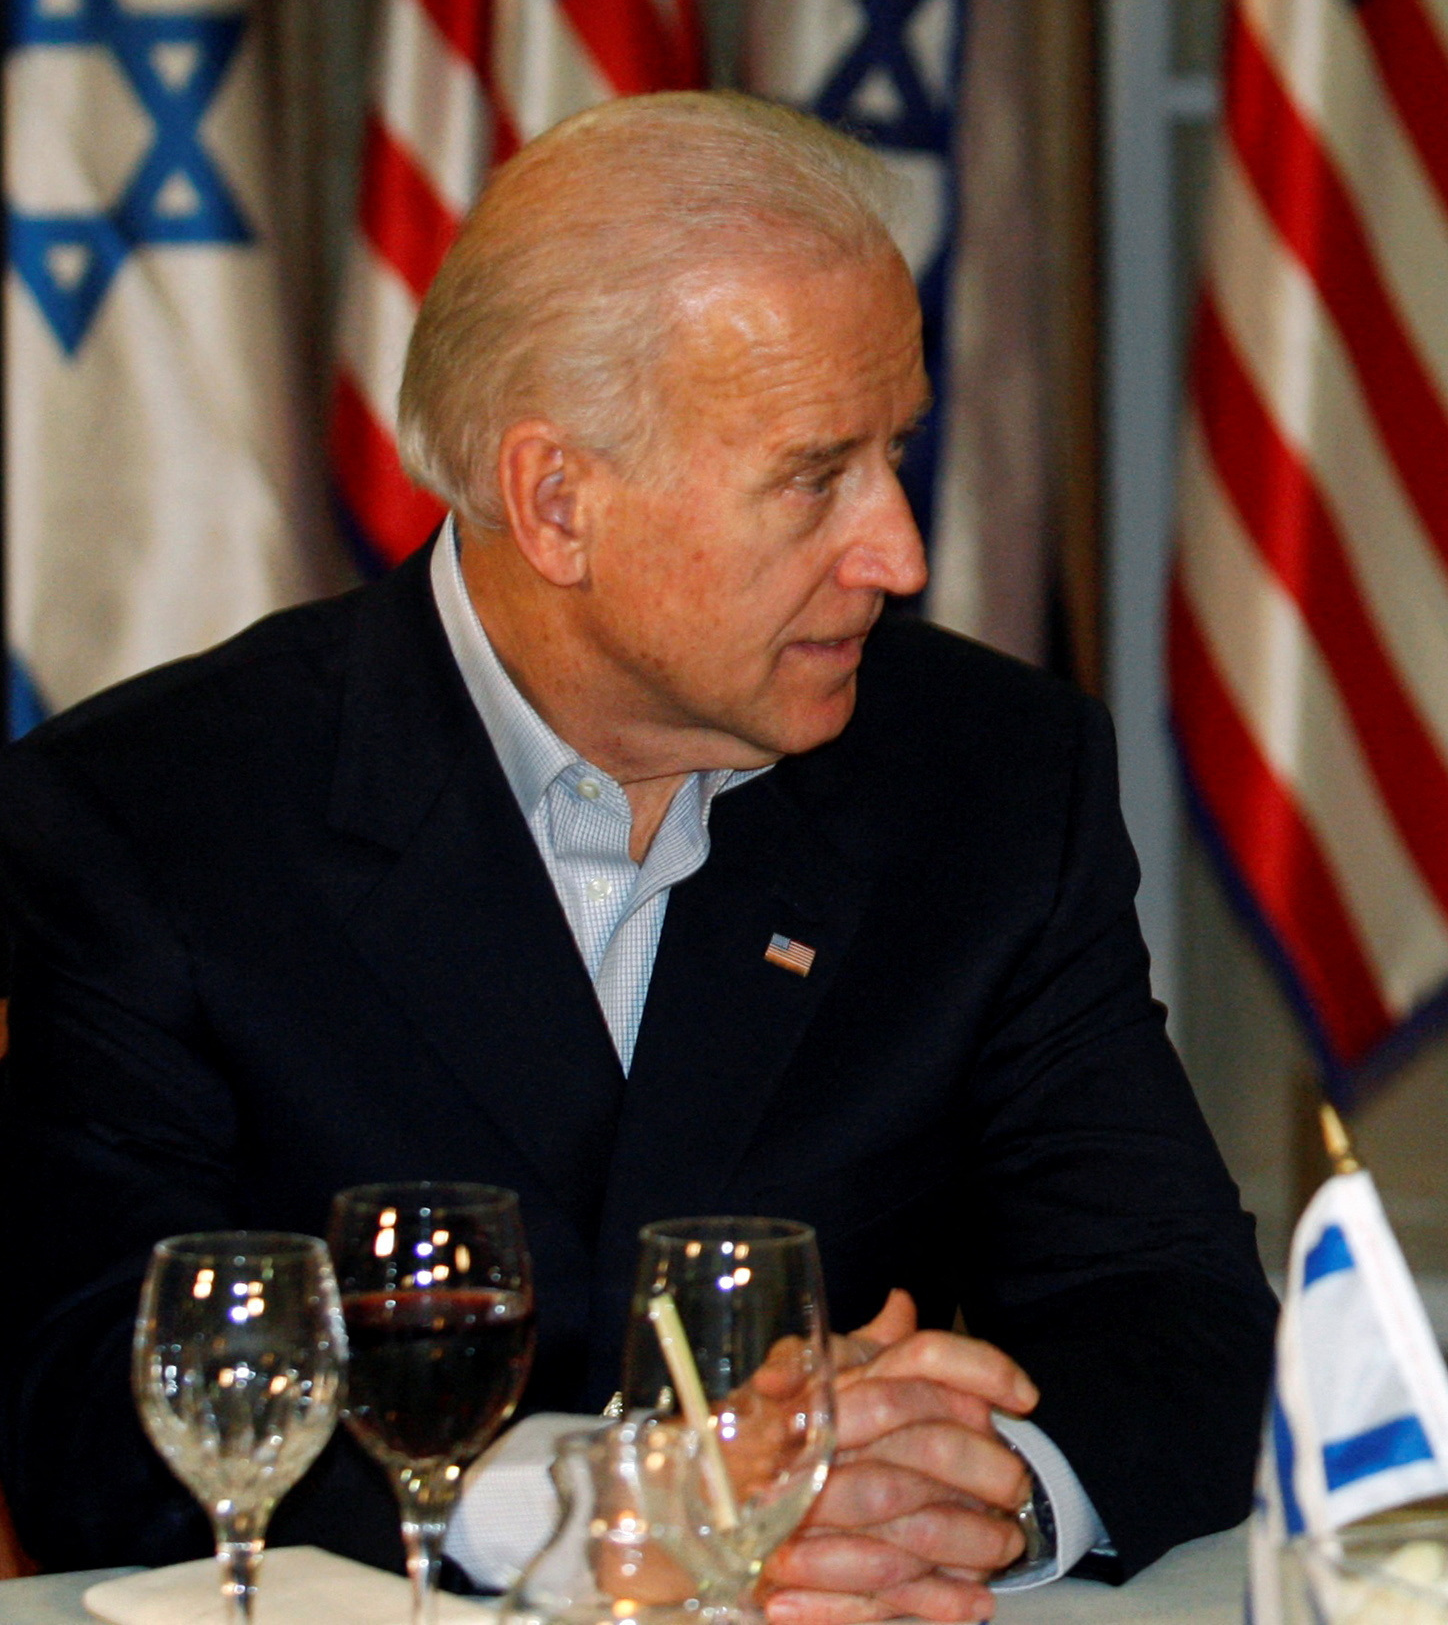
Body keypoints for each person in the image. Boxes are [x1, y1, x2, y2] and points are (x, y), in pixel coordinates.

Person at [0, 93, 1276, 1621]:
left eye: (895, 455)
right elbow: (93, 1413)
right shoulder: (150, 819)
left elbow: (1179, 1312)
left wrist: (959, 1494)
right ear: (557, 502)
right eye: (816, 478)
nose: (900, 552)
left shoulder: (993, 783)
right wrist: (611, 1509)